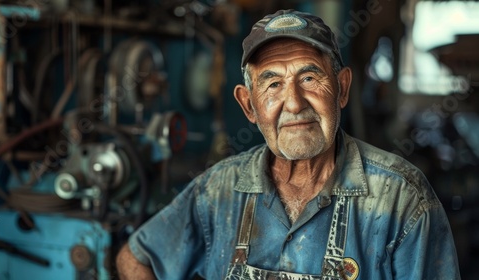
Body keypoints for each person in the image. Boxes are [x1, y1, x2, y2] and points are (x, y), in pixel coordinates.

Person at [116, 9, 461, 280]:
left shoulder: (400, 198)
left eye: (309, 78)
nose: (294, 103)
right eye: (273, 84)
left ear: (341, 89)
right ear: (249, 105)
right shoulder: (219, 190)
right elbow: (135, 259)